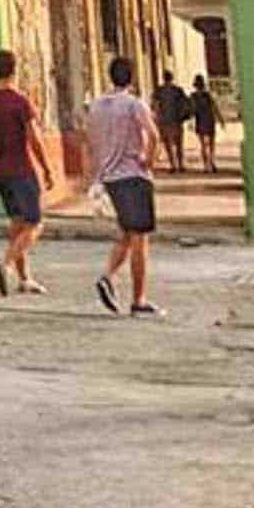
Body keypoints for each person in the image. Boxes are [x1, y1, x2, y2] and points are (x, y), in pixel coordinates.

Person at [86, 56, 161, 317]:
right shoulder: (133, 105)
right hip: (133, 175)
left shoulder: (95, 106)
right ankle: (139, 299)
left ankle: (108, 277)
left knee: (127, 233)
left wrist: (94, 178)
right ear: (131, 77)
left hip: (109, 177)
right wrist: (149, 160)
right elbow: (153, 134)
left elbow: (91, 143)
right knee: (140, 238)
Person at [0, 48, 54, 296]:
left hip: (0, 171)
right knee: (35, 223)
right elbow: (34, 137)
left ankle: (25, 278)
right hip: (21, 169)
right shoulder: (20, 102)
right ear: (14, 70)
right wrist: (46, 167)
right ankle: (7, 263)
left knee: (17, 223)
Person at [152, 70, 189, 173]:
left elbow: (155, 105)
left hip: (165, 121)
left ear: (164, 78)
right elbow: (185, 103)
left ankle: (173, 165)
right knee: (179, 144)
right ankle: (181, 164)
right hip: (177, 120)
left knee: (168, 144)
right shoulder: (178, 90)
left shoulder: (159, 91)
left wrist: (156, 118)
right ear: (172, 78)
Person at [190, 74, 220, 172]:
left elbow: (193, 110)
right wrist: (220, 119)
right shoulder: (208, 95)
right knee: (211, 144)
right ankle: (212, 162)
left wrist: (191, 120)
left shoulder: (194, 96)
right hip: (210, 119)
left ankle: (206, 165)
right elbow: (215, 107)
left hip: (200, 120)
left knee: (203, 144)